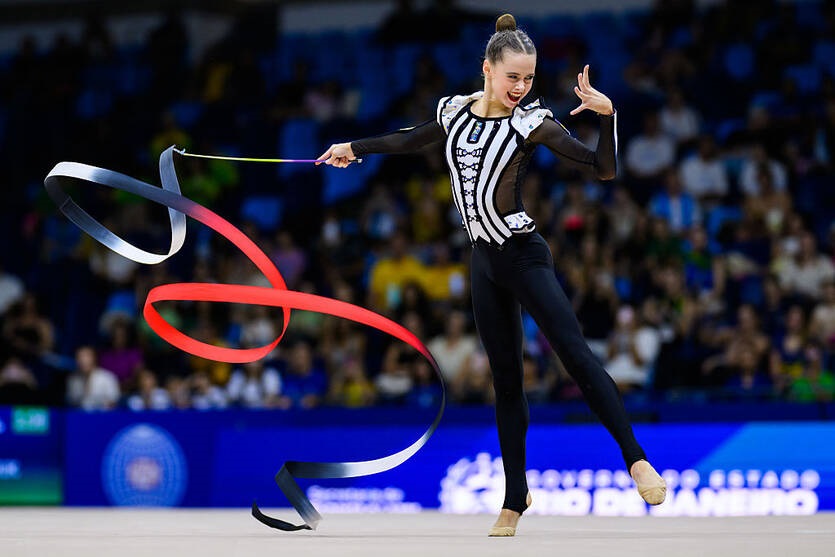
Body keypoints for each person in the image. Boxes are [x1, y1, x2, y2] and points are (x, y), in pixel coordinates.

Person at [318, 14, 666, 536]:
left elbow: (604, 169)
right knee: (506, 383)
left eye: (529, 78)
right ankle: (514, 497)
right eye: (512, 77)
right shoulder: (454, 112)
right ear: (487, 69)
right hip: (483, 262)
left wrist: (608, 116)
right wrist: (354, 148)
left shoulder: (532, 122)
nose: (521, 88)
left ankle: (636, 459)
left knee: (575, 355)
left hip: (524, 255)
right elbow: (409, 139)